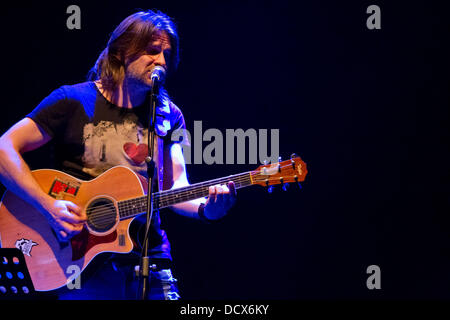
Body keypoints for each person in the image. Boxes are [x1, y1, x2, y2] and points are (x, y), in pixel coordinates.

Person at [0, 10, 236, 300]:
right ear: (123, 51)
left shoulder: (169, 117)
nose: (161, 61)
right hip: (82, 266)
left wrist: (207, 209)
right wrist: (48, 205)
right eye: (152, 51)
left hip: (151, 259)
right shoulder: (73, 100)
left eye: (166, 54)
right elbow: (4, 149)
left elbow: (177, 187)